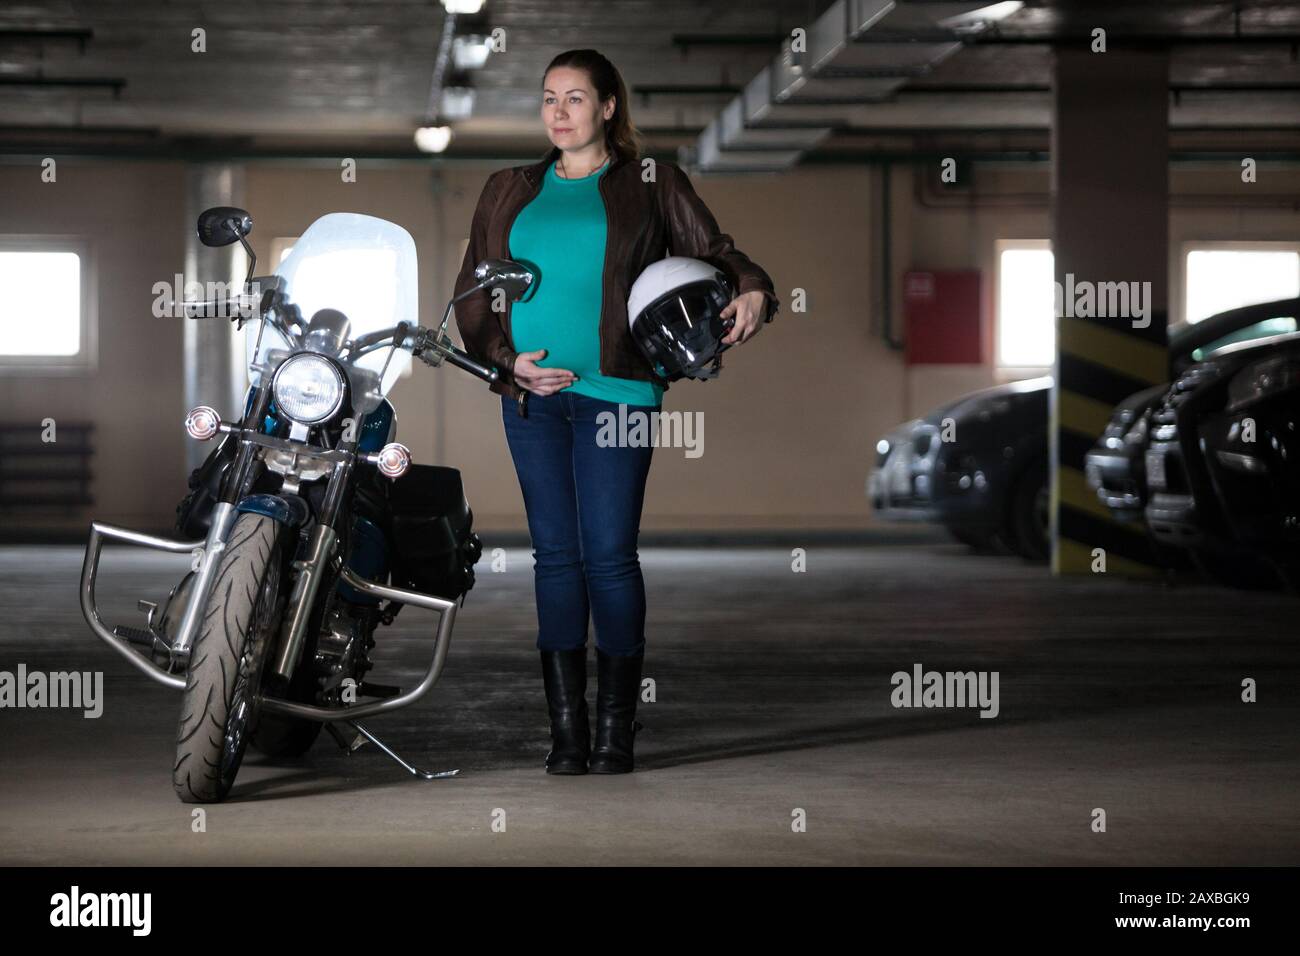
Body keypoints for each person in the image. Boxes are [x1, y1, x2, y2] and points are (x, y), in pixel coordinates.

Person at [452, 48, 779, 774]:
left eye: (574, 98)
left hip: (619, 394)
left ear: (607, 107)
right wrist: (509, 364)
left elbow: (717, 253)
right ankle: (567, 734)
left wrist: (753, 286)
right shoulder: (508, 188)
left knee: (608, 557)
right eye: (548, 99)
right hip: (533, 401)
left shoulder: (651, 182)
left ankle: (614, 733)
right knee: (555, 561)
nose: (559, 112)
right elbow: (474, 293)